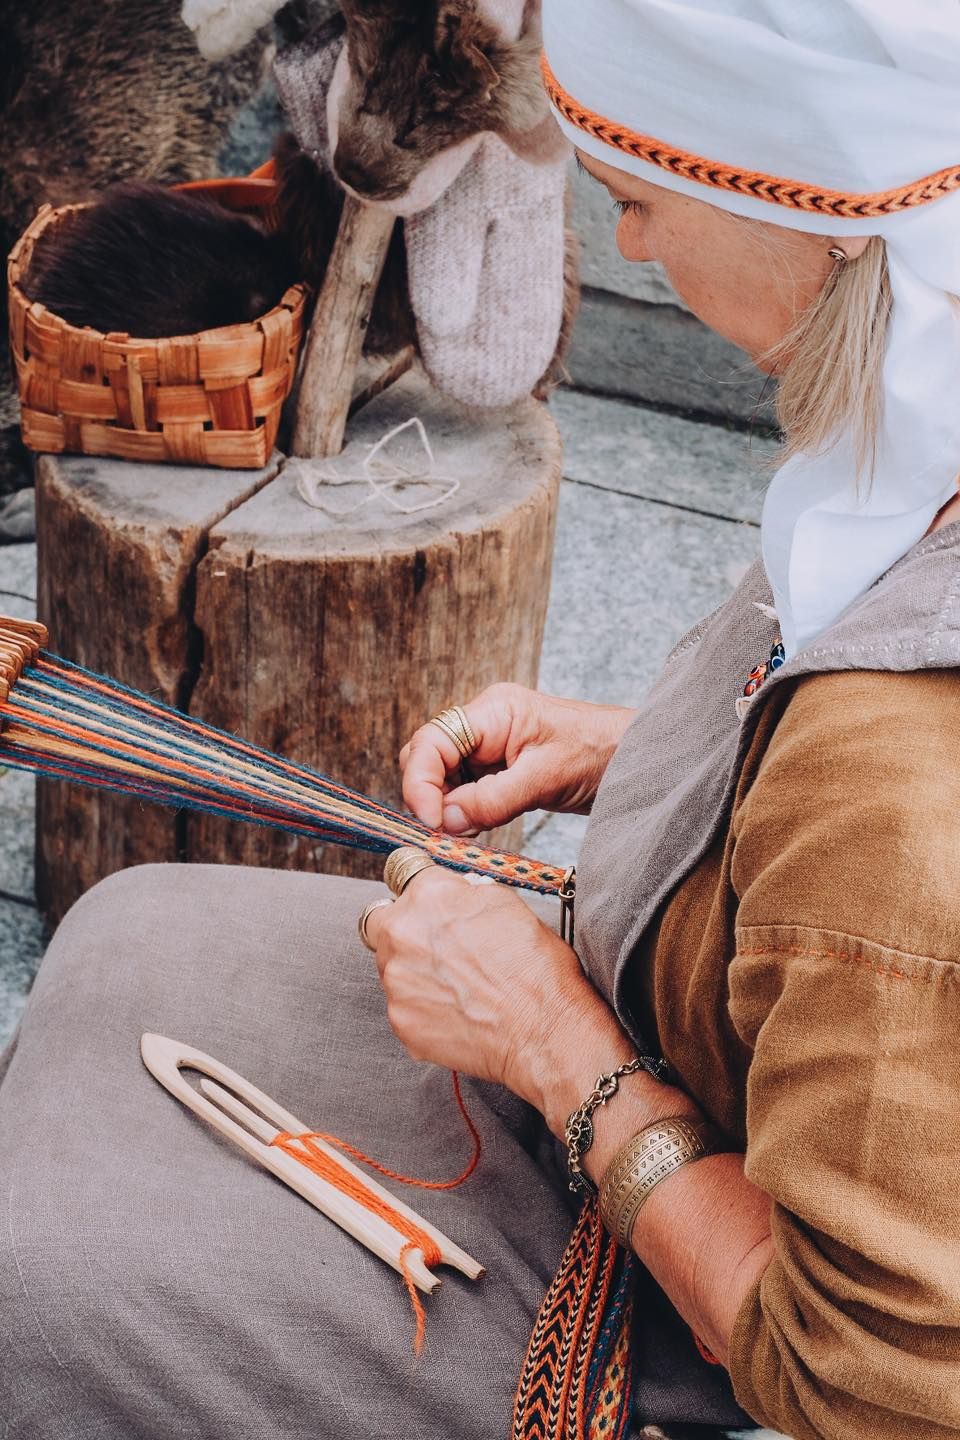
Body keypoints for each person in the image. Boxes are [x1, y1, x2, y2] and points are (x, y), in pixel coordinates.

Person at [3, 2, 960, 1437]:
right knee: (129, 919)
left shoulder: (891, 785)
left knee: (29, 1275)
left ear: (818, 211)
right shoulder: (915, 450)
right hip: (688, 1049)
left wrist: (551, 1048)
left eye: (638, 200)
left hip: (677, 1272)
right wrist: (657, 753)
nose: (629, 245)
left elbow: (870, 1391)